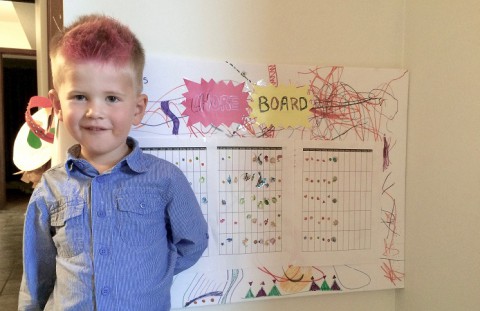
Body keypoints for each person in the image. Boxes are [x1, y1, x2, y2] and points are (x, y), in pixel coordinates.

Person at [18, 14, 209, 311]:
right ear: (56, 105)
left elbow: (193, 242)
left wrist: (151, 274)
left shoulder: (165, 179)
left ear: (137, 108)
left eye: (112, 98)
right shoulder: (49, 187)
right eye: (80, 96)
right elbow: (36, 273)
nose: (95, 111)